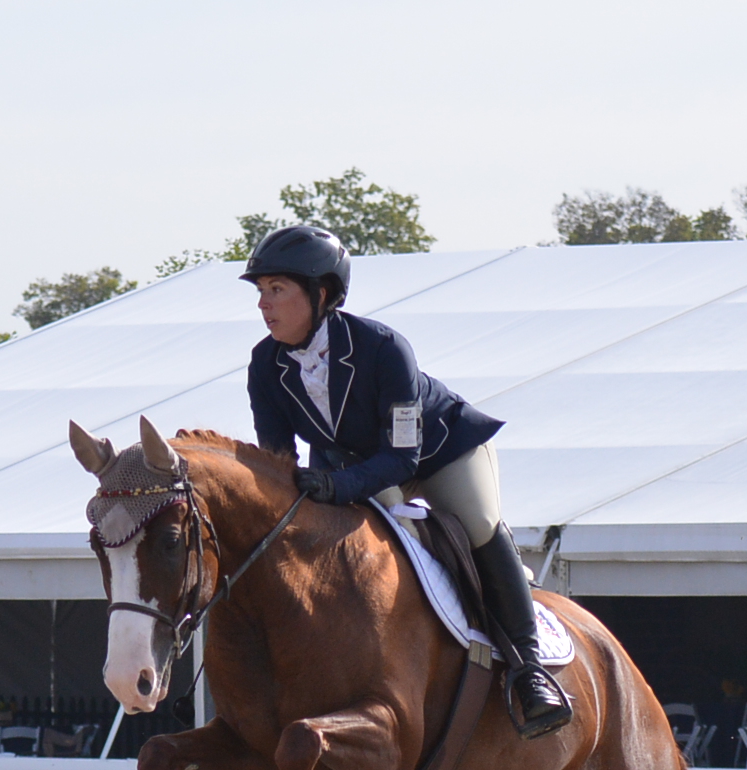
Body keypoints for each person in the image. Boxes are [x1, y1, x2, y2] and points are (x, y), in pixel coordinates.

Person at [240, 225, 571, 737]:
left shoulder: (383, 347)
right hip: (350, 463)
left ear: (321, 293)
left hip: (439, 450)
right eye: (260, 292)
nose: (264, 304)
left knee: (478, 524)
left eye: (277, 289)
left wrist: (336, 487)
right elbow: (278, 459)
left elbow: (401, 457)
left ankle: (530, 671)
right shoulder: (266, 364)